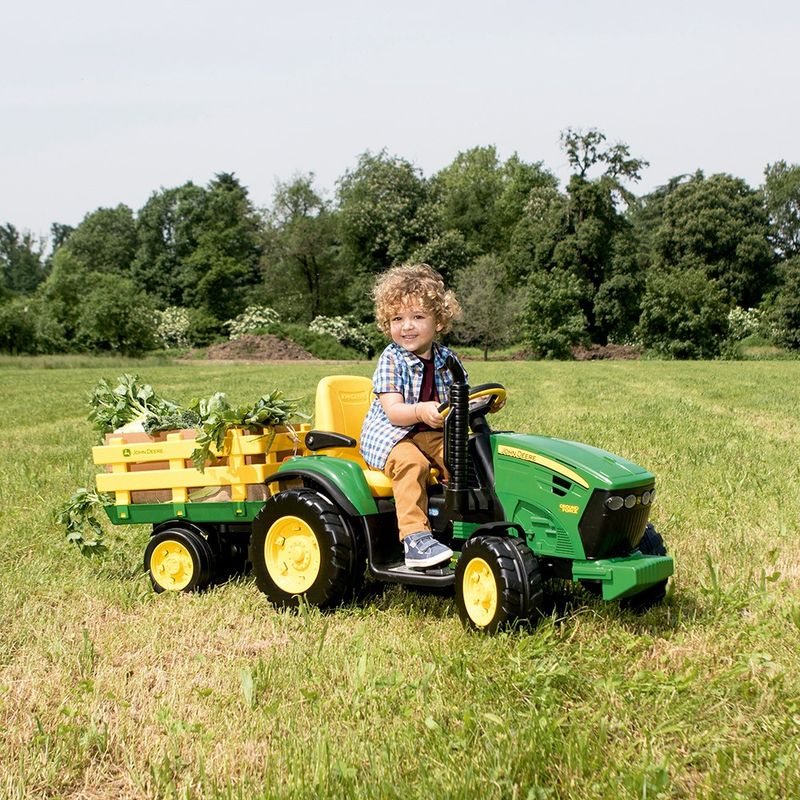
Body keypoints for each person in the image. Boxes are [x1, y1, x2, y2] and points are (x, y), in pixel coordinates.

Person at [360, 262, 466, 569]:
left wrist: (478, 403)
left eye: (417, 317)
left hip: (429, 432)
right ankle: (415, 539)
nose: (407, 326)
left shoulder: (448, 359)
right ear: (387, 322)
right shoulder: (391, 359)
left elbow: (463, 394)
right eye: (398, 318)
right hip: (391, 437)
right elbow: (393, 412)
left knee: (462, 454)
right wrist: (420, 409)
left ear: (439, 321)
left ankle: (463, 516)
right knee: (412, 463)